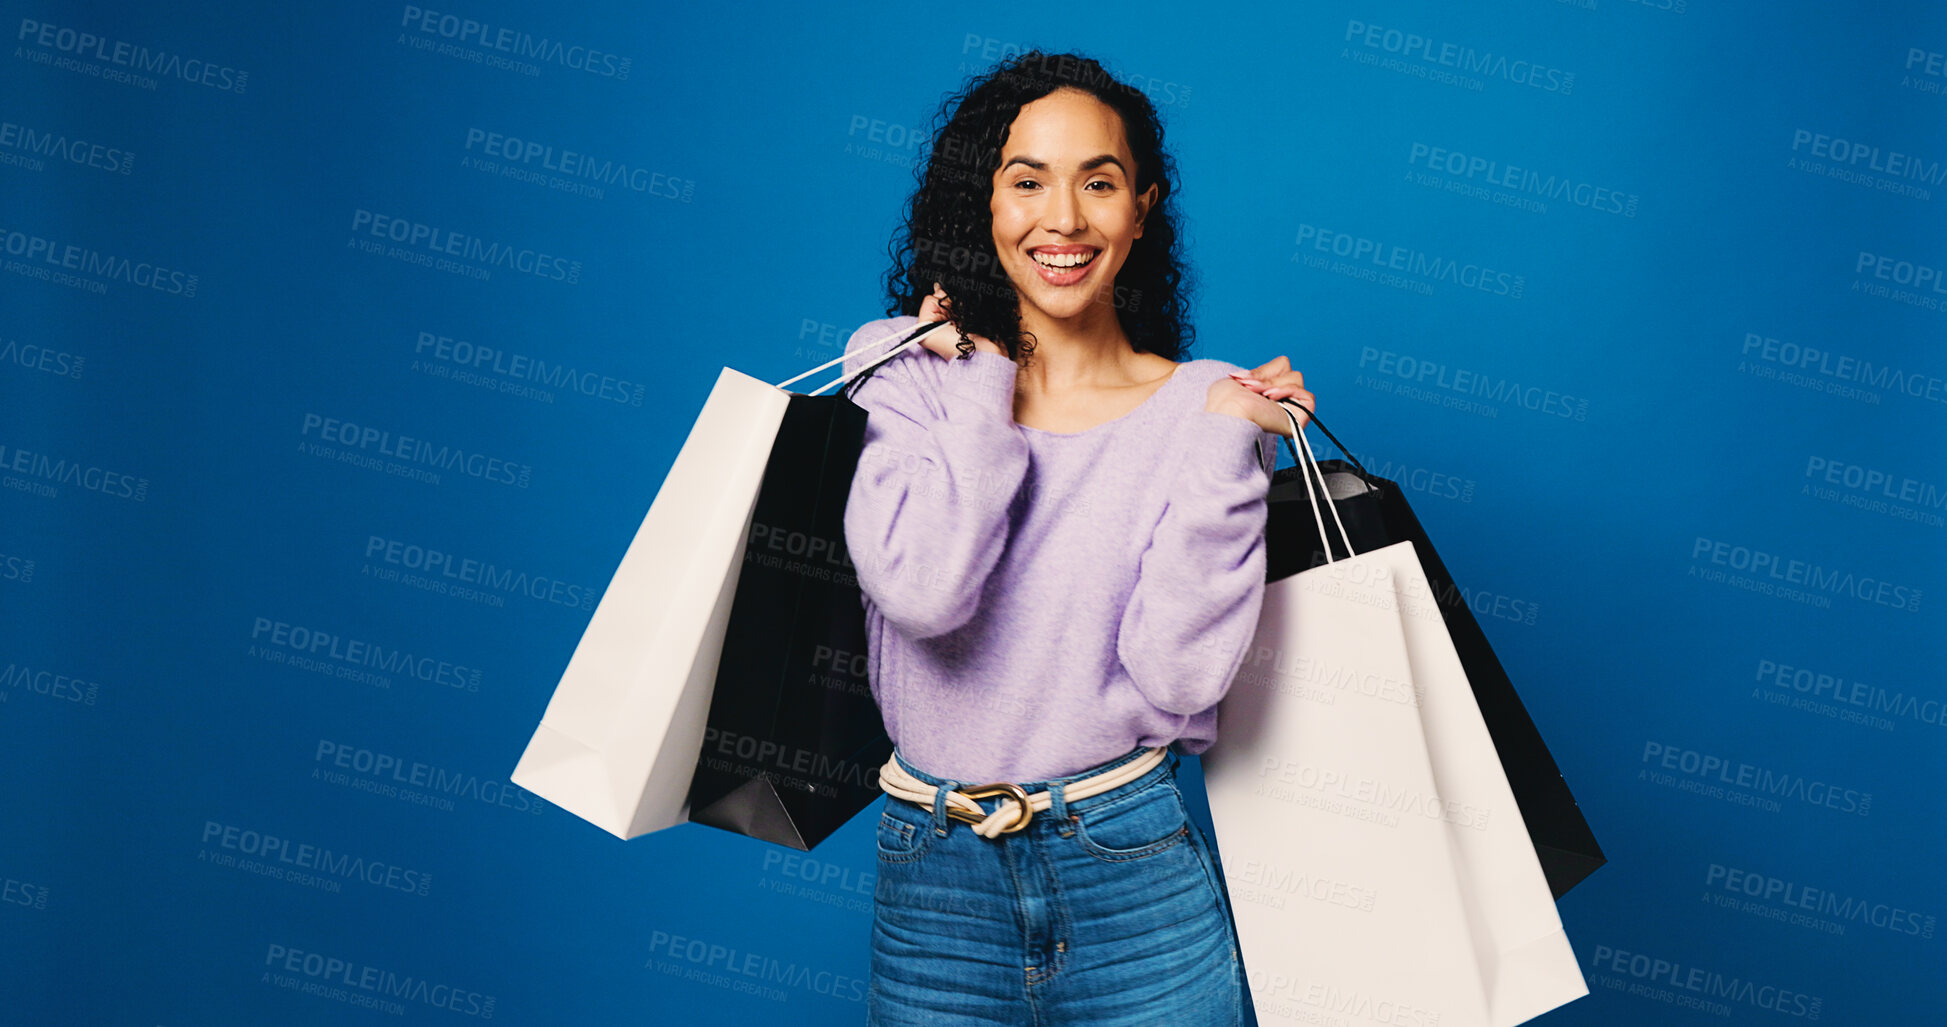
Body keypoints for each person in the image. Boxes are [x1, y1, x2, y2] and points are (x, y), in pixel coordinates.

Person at [838, 50, 1314, 1027]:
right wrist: (977, 377)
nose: (1063, 218)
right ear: (983, 204)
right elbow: (926, 591)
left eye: (1097, 181)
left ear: (1139, 208)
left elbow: (1181, 679)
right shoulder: (905, 371)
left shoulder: (1204, 405)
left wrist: (1228, 441)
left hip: (1128, 861)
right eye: (1027, 181)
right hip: (935, 881)